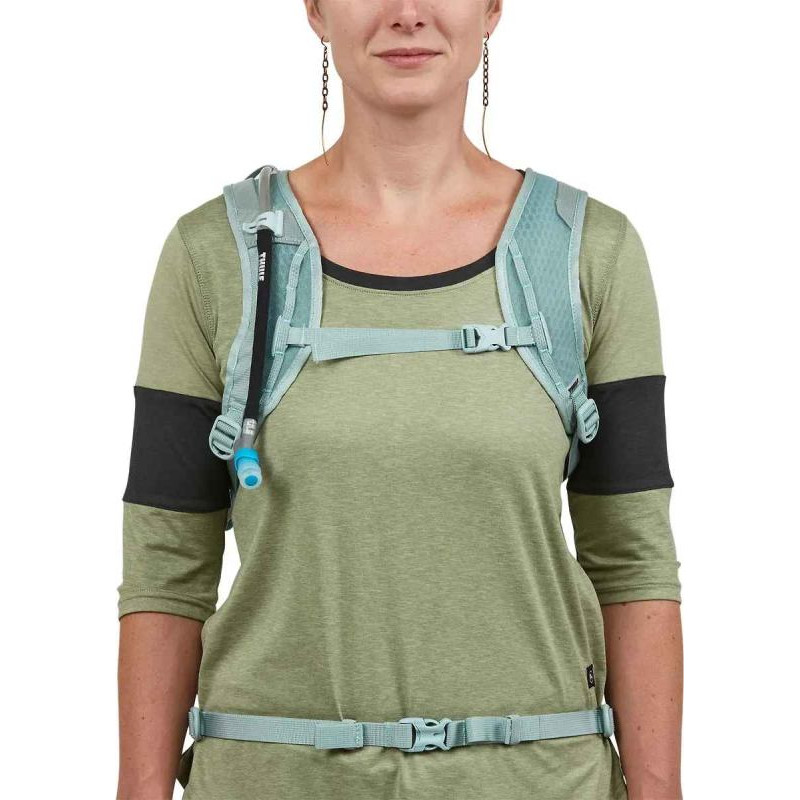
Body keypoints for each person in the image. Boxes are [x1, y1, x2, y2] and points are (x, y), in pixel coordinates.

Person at [116, 2, 683, 798]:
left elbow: (632, 559)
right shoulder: (215, 255)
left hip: (537, 783)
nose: (408, 13)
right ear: (316, 10)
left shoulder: (589, 252)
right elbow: (166, 567)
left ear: (491, 9)